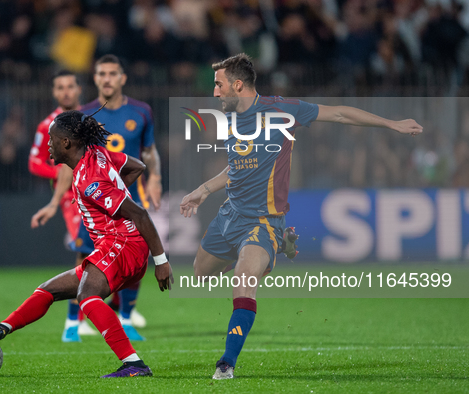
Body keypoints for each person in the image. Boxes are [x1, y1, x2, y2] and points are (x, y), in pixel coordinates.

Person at [179, 53, 423, 380]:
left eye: (219, 85)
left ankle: (227, 363)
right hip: (229, 216)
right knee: (201, 274)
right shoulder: (233, 117)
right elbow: (237, 167)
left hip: (262, 220)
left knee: (243, 281)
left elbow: (338, 114)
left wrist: (390, 124)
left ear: (238, 85)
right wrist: (205, 190)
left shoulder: (281, 110)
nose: (215, 93)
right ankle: (274, 249)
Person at [0, 109, 173, 378]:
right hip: (115, 246)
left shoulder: (90, 181)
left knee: (87, 296)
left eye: (52, 139)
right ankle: (1, 328)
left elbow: (140, 213)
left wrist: (161, 261)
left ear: (66, 143)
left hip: (123, 245)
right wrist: (112, 198)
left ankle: (134, 365)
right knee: (49, 290)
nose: (48, 144)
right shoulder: (97, 155)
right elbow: (137, 166)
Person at [69, 54, 162, 341]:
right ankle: (75, 321)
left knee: (137, 253)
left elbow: (148, 152)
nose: (107, 78)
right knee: (86, 253)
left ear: (122, 77)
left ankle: (125, 316)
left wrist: (156, 177)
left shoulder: (141, 111)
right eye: (102, 74)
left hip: (129, 197)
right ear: (95, 78)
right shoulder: (84, 115)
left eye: (112, 73)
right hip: (96, 200)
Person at [27, 69, 95, 342]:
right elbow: (34, 162)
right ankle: (73, 321)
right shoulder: (48, 126)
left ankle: (85, 314)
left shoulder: (88, 120)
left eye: (70, 86)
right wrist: (59, 175)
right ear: (54, 93)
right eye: (60, 87)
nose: (65, 91)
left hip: (96, 192)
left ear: (79, 89)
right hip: (70, 198)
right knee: (86, 253)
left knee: (100, 253)